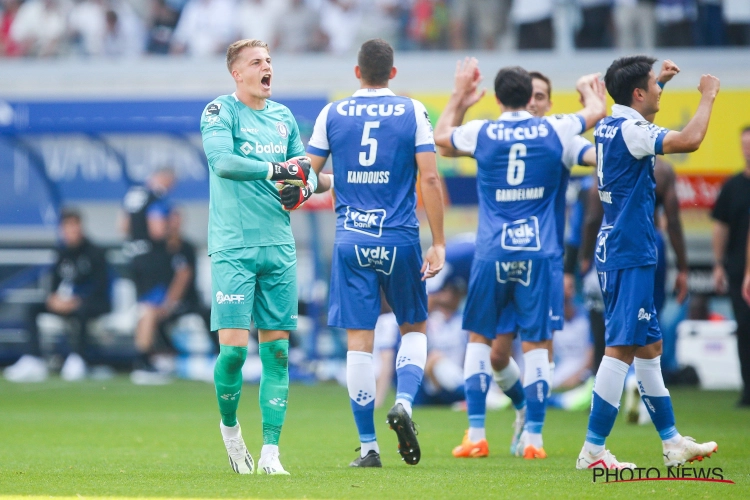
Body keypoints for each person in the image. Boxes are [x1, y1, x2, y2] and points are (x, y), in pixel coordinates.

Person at [435, 60, 604, 460]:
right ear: (530, 97)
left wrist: (460, 94)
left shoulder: (482, 131)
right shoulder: (556, 128)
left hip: (493, 250)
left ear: (496, 99)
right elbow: (596, 114)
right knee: (538, 345)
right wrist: (589, 88)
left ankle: (476, 433)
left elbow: (441, 137)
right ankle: (535, 440)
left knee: (478, 339)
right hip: (539, 252)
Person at [306, 38, 445, 468]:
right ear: (393, 73)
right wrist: (437, 242)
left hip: (350, 240)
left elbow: (307, 176)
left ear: (356, 72)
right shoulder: (412, 110)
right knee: (414, 327)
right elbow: (431, 178)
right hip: (399, 237)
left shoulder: (332, 113)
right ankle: (403, 401)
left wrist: (335, 182)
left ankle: (368, 448)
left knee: (358, 344)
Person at [576, 55, 720, 470]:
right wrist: (708, 97)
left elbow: (635, 120)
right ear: (637, 94)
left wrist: (662, 82)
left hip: (618, 247)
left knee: (649, 347)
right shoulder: (631, 129)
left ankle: (672, 441)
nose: (659, 88)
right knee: (619, 348)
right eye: (654, 85)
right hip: (630, 251)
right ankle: (593, 451)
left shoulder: (610, 123)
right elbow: (689, 140)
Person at [200, 38, 317, 475]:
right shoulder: (220, 111)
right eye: (256, 62)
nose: (267, 68)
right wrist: (276, 170)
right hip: (233, 246)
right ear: (237, 73)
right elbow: (223, 163)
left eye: (269, 61)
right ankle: (231, 435)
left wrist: (303, 186)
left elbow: (303, 172)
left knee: (279, 354)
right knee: (232, 354)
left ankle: (271, 453)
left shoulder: (284, 117)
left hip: (279, 248)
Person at [4, 208, 111, 383]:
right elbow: (54, 282)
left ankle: (79, 358)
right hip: (66, 303)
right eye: (67, 227)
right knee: (32, 309)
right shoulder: (61, 253)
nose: (72, 232)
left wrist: (78, 300)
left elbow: (101, 286)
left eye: (75, 226)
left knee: (82, 311)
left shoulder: (96, 253)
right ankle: (34, 359)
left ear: (81, 227)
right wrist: (54, 299)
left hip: (92, 303)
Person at [121, 166, 176, 385]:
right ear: (163, 177)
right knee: (151, 309)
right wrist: (170, 229)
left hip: (134, 256)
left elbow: (123, 225)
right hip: (152, 260)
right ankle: (143, 360)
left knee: (144, 307)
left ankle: (143, 359)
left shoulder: (133, 194)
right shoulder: (157, 197)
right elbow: (157, 230)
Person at [712, 126, 750, 408]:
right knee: (745, 330)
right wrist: (718, 264)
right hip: (739, 269)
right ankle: (748, 390)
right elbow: (720, 228)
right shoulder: (733, 186)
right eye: (744, 145)